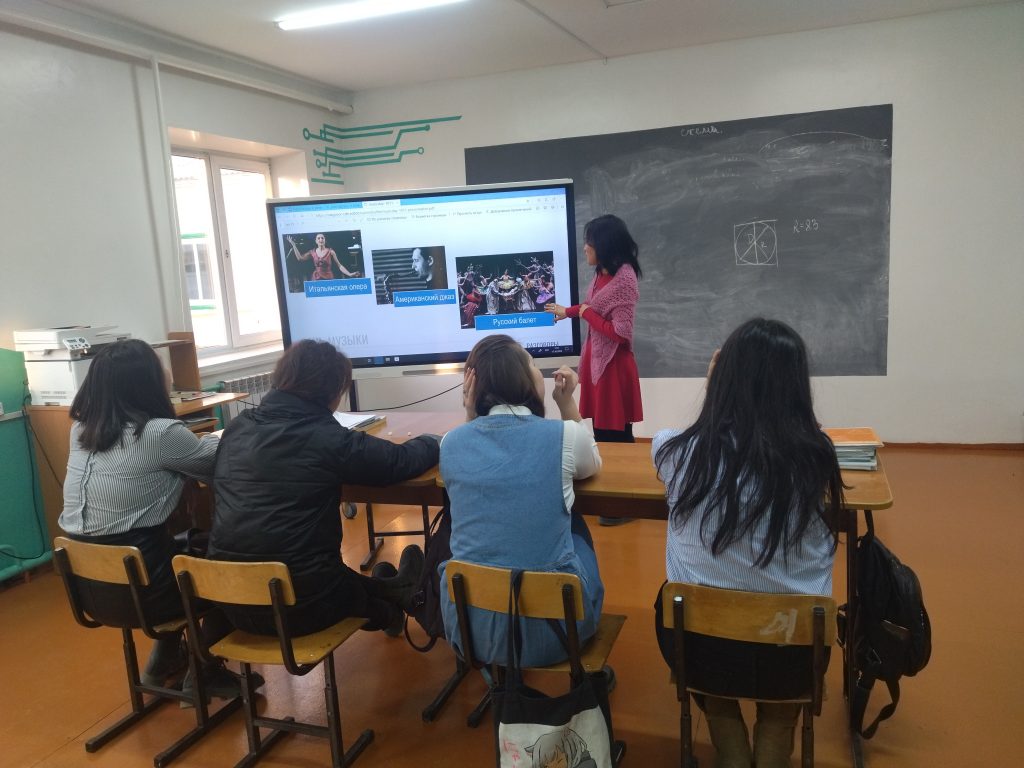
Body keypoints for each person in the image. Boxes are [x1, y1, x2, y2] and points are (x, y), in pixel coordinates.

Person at [651, 318, 844, 768]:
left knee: (680, 614)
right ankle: (772, 751)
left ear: (724, 379)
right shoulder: (818, 457)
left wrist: (713, 390)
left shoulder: (677, 453)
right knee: (780, 697)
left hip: (702, 647)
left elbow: (671, 439)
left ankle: (731, 751)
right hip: (793, 646)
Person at [208, 339, 440, 638]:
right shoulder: (326, 437)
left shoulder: (237, 427)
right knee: (320, 580)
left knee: (313, 570)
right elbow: (398, 461)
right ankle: (396, 603)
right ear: (332, 391)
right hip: (302, 606)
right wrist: (433, 441)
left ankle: (396, 589)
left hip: (230, 599)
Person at [58, 339, 249, 699]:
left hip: (90, 589)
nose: (166, 373)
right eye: (160, 368)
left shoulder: (80, 430)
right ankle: (204, 672)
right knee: (231, 567)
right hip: (147, 592)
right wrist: (220, 436)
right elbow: (213, 466)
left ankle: (162, 663)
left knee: (175, 550)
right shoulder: (159, 433)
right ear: (145, 382)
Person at [438, 334, 605, 667]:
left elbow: (476, 453)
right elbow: (592, 463)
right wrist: (567, 403)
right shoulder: (563, 436)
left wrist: (471, 415)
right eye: (532, 364)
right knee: (573, 523)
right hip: (558, 631)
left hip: (473, 631)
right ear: (523, 380)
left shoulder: (450, 444)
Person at [547, 214, 643, 526]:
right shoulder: (602, 273)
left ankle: (623, 503)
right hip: (598, 363)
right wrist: (569, 311)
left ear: (605, 244)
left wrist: (585, 313)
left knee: (614, 434)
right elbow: (593, 307)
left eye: (590, 242)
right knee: (604, 431)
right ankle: (615, 499)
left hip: (614, 368)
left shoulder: (624, 280)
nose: (585, 248)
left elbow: (620, 333)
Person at [287, 233, 360, 280]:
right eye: (318, 238)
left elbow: (339, 265)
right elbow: (300, 258)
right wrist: (294, 245)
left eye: (322, 238)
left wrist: (349, 274)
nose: (320, 240)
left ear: (325, 240)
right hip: (316, 279)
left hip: (328, 278)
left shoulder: (331, 251)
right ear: (316, 241)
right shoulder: (312, 252)